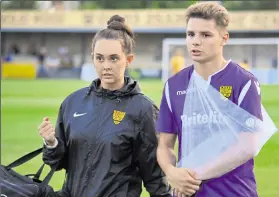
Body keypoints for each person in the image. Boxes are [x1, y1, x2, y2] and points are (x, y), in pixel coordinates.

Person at [38, 15, 171, 197]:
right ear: (92, 58)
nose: (106, 66)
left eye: (114, 58)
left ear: (129, 59)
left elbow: (155, 175)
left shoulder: (143, 110)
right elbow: (58, 162)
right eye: (100, 58)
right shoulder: (73, 102)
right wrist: (51, 143)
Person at [156, 2, 263, 197]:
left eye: (205, 35)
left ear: (224, 38)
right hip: (189, 193)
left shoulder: (243, 82)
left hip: (234, 192)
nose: (196, 41)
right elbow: (165, 145)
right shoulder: (173, 86)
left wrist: (191, 177)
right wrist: (172, 173)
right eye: (191, 34)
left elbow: (249, 144)